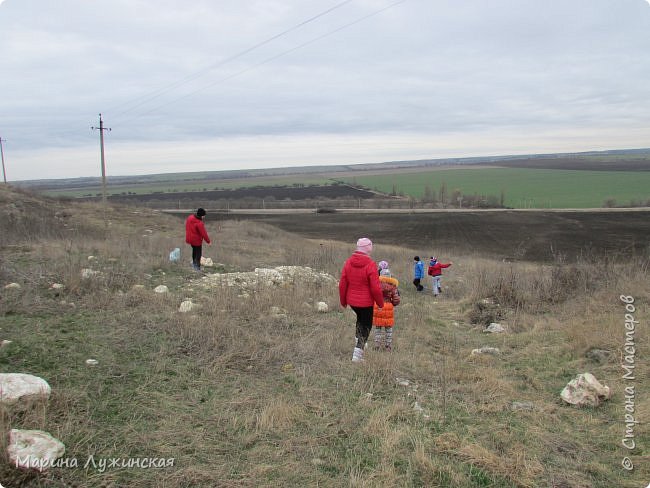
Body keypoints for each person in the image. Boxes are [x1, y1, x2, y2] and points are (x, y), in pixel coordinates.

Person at [339, 238, 384, 363]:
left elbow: (342, 283)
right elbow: (375, 288)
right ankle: (357, 355)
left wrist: (343, 301)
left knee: (360, 320)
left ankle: (358, 341)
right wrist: (380, 303)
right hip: (366, 303)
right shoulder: (370, 264)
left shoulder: (348, 262)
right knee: (367, 326)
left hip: (353, 302)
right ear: (368, 248)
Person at [372, 265, 401, 351]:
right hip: (388, 307)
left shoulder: (376, 284)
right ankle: (388, 346)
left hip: (378, 306)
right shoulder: (393, 286)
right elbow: (396, 299)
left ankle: (377, 345)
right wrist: (393, 304)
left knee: (378, 328)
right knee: (388, 328)